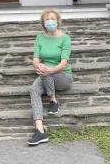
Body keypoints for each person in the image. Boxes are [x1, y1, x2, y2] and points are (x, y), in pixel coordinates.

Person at [27, 8, 73, 146]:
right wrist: (37, 65)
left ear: (57, 21)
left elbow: (64, 62)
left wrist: (49, 70)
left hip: (62, 76)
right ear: (43, 23)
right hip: (45, 75)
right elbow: (35, 59)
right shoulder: (40, 37)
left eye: (53, 19)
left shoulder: (65, 38)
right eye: (47, 19)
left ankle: (53, 100)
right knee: (33, 90)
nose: (50, 21)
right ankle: (40, 130)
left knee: (45, 70)